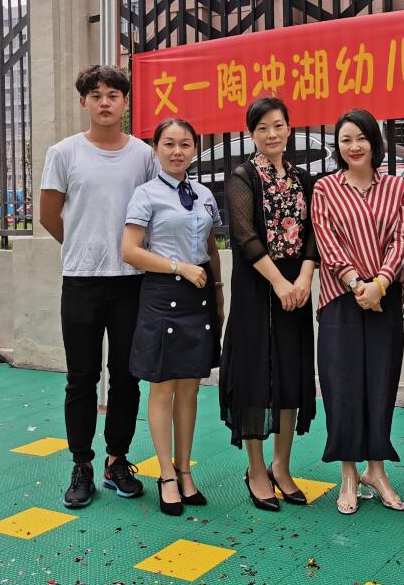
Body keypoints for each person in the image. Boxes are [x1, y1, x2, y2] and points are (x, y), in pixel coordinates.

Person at [39, 65, 157, 509]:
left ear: (125, 102)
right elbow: (49, 214)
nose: (104, 102)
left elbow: (155, 211)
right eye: (96, 95)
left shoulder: (144, 155)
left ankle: (117, 460)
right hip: (82, 282)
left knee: (126, 377)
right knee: (82, 378)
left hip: (132, 282)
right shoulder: (63, 153)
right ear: (83, 102)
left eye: (113, 95)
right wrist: (82, 247)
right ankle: (82, 464)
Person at [311, 109, 404, 515]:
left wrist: (381, 284)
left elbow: (403, 237)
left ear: (374, 142)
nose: (354, 146)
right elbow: (327, 242)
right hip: (341, 299)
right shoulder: (325, 189)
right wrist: (357, 284)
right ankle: (349, 473)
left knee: (381, 383)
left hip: (384, 297)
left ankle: (377, 470)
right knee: (342, 385)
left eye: (361, 138)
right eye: (345, 140)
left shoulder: (396, 186)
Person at [219, 96, 318, 512]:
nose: (271, 134)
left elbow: (314, 233)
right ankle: (256, 470)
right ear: (252, 134)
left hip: (297, 288)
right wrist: (279, 282)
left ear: (289, 128)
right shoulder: (242, 177)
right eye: (262, 128)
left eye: (278, 125)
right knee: (255, 375)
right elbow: (245, 236)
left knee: (291, 373)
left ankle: (282, 465)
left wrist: (304, 279)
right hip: (257, 288)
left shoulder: (304, 179)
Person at [120, 118, 223, 516]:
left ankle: (184, 470)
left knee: (190, 387)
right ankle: (165, 474)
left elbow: (211, 246)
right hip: (164, 294)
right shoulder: (145, 195)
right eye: (169, 144)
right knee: (162, 387)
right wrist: (180, 268)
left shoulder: (204, 194)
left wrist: (218, 291)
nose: (177, 151)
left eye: (185, 144)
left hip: (199, 293)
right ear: (156, 149)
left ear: (195, 148)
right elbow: (130, 251)